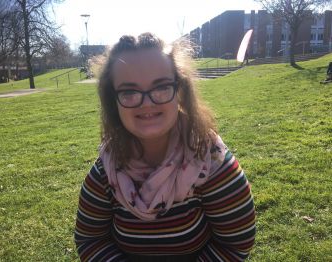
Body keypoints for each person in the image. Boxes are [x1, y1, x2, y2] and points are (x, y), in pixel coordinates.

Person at [74, 32, 256, 262]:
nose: (147, 102)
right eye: (129, 92)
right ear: (113, 100)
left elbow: (235, 244)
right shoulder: (106, 169)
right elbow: (90, 240)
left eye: (161, 87)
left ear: (179, 90)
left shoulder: (212, 163)